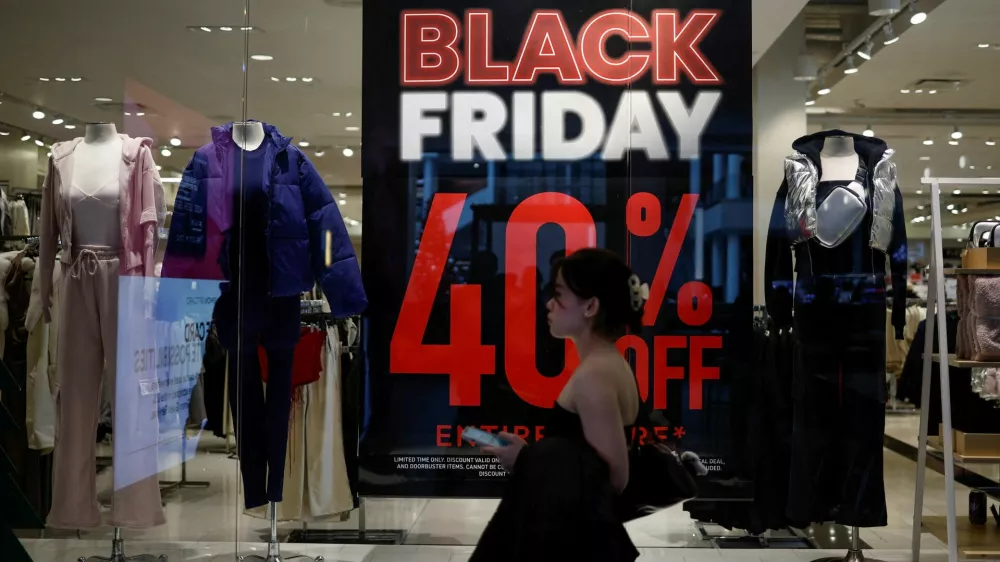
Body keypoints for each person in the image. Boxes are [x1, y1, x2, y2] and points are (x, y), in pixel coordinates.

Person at [471, 248, 642, 562]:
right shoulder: (606, 364)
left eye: (559, 295)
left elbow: (613, 476)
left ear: (590, 306)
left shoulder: (595, 374)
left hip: (571, 540)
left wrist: (527, 459)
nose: (549, 303)